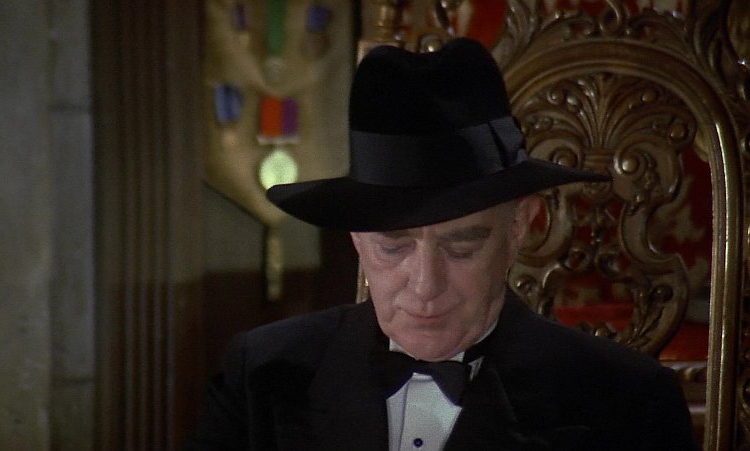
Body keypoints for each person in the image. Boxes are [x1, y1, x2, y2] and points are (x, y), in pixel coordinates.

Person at [192, 38, 699, 450]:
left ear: (519, 227)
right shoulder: (262, 375)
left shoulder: (628, 402)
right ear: (357, 237)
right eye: (394, 247)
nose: (425, 286)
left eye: (461, 247)